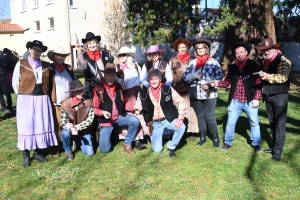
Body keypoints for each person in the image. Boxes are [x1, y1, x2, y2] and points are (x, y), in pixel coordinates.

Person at [12, 40, 58, 167]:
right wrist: (22, 95)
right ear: (30, 50)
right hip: (26, 98)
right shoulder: (21, 63)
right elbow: (15, 82)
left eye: (39, 50)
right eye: (34, 49)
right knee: (26, 126)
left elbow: (51, 83)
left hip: (42, 98)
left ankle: (38, 152)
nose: (36, 52)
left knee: (40, 125)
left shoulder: (46, 66)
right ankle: (26, 155)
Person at [213, 42, 262, 152]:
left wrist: (257, 98)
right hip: (235, 100)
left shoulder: (254, 65)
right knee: (230, 123)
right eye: (237, 53)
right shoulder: (233, 67)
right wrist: (216, 83)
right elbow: (227, 82)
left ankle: (256, 143)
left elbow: (259, 83)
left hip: (250, 100)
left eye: (241, 52)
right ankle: (227, 142)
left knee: (254, 123)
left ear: (246, 52)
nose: (239, 54)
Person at [135, 69, 187, 157]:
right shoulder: (142, 93)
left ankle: (171, 146)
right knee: (157, 150)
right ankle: (158, 138)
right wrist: (144, 126)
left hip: (168, 119)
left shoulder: (168, 89)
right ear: (148, 80)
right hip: (152, 123)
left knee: (181, 127)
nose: (153, 81)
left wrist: (180, 118)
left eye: (155, 79)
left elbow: (181, 101)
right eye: (151, 79)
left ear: (160, 79)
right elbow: (137, 110)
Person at [255, 38, 292, 161]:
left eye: (268, 49)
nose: (266, 52)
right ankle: (274, 146)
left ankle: (277, 151)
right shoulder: (264, 61)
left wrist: (268, 76)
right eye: (264, 50)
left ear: (274, 48)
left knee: (280, 124)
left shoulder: (283, 59)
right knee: (272, 122)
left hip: (280, 95)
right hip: (268, 95)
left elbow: (283, 77)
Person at [93, 63, 140, 154]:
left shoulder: (119, 87)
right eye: (108, 75)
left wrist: (134, 107)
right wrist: (102, 113)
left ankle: (128, 143)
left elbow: (125, 102)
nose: (110, 78)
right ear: (104, 76)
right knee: (105, 150)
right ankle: (109, 135)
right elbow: (95, 108)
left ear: (115, 76)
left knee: (135, 121)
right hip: (106, 121)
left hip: (119, 117)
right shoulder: (98, 89)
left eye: (112, 75)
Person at [183, 39, 223, 147]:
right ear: (196, 50)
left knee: (209, 116)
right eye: (198, 48)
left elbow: (219, 76)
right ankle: (202, 137)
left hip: (210, 93)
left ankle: (215, 138)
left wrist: (211, 84)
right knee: (200, 115)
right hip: (196, 92)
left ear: (206, 49)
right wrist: (195, 75)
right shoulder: (192, 63)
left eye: (202, 48)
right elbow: (185, 78)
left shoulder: (213, 62)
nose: (200, 50)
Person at [114, 46, 146, 150]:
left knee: (138, 113)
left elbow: (142, 78)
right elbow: (112, 78)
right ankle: (130, 139)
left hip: (136, 92)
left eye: (124, 55)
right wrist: (120, 81)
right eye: (120, 55)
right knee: (129, 115)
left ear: (129, 56)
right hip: (125, 94)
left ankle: (138, 139)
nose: (121, 57)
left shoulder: (135, 65)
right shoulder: (117, 67)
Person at [47, 46, 77, 157]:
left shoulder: (68, 69)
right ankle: (56, 147)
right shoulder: (50, 69)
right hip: (56, 103)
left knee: (68, 124)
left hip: (69, 102)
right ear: (54, 56)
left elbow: (75, 82)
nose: (60, 57)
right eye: (58, 55)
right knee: (56, 125)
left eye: (63, 55)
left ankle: (69, 144)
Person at [170, 38, 198, 139]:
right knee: (178, 108)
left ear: (187, 48)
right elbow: (169, 75)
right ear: (177, 49)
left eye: (184, 47)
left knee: (190, 108)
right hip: (177, 88)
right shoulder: (173, 60)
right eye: (180, 47)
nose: (182, 49)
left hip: (189, 88)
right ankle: (179, 129)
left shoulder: (192, 60)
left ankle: (191, 131)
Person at [60, 80, 94, 160]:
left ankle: (77, 140)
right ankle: (68, 151)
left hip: (84, 130)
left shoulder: (89, 101)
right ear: (73, 92)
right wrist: (70, 128)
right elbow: (62, 121)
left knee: (90, 153)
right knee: (65, 133)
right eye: (77, 91)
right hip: (70, 130)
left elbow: (90, 120)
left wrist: (75, 128)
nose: (81, 92)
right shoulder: (65, 103)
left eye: (81, 90)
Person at [0, 48, 14, 113]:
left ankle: (9, 106)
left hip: (2, 76)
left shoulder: (3, 55)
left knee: (6, 92)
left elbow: (4, 64)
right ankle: (3, 106)